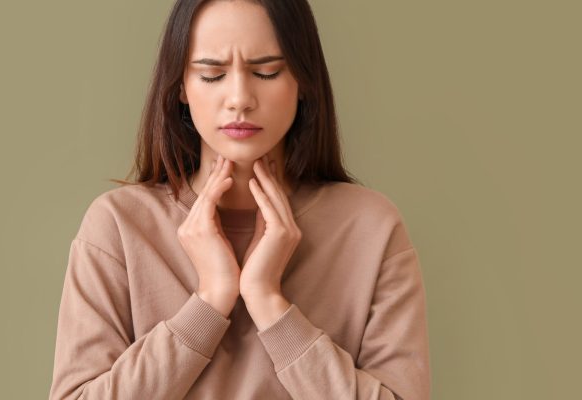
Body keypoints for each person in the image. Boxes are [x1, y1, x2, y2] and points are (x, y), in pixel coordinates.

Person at [48, 0, 431, 399]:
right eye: (212, 74)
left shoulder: (372, 229)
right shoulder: (118, 226)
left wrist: (270, 303)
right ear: (181, 86)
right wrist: (210, 300)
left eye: (266, 71)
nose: (239, 99)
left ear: (303, 80)